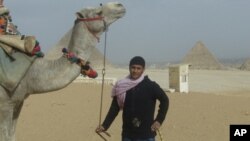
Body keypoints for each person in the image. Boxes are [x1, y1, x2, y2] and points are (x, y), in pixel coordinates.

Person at [96, 56, 169, 141]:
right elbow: (114, 108)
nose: (135, 71)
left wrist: (159, 120)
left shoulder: (150, 86)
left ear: (143, 69)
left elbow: (165, 100)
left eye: (139, 68)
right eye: (133, 68)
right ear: (129, 68)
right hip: (128, 134)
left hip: (146, 134)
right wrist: (105, 125)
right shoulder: (122, 86)